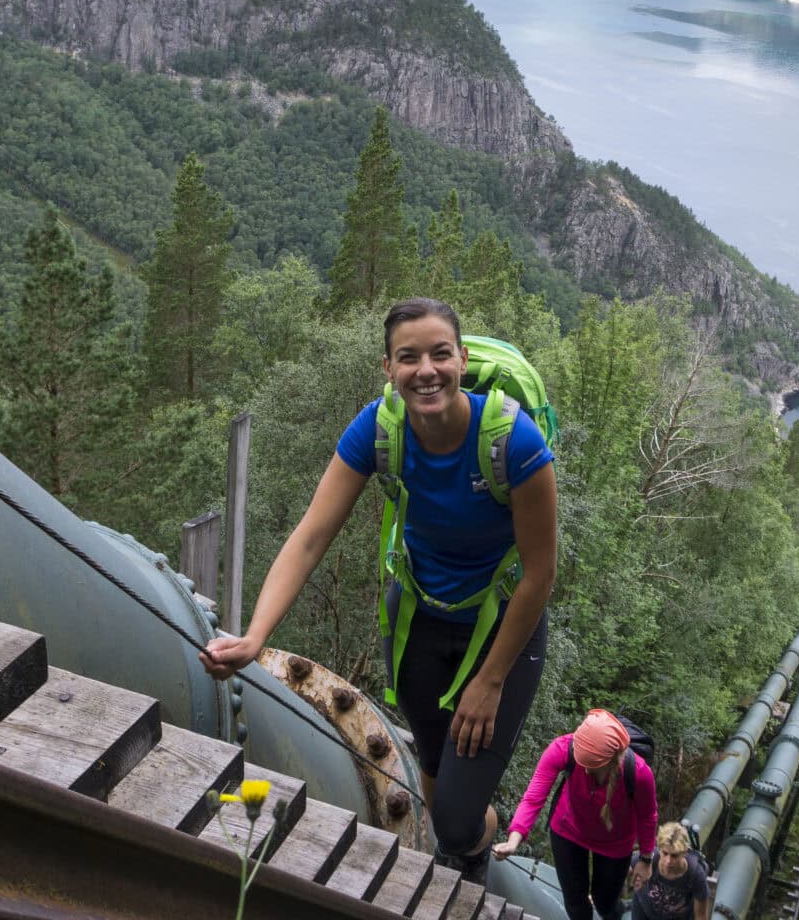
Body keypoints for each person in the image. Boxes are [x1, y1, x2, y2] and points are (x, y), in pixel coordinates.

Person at [200, 297, 559, 881]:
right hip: (419, 620)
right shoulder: (379, 429)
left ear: (462, 360)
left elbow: (541, 573)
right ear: (387, 369)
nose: (427, 370)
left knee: (458, 820)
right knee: (435, 778)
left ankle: (472, 847)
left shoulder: (512, 443)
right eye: (408, 357)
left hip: (503, 632)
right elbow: (311, 537)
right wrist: (254, 637)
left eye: (440, 354)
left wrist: (490, 681)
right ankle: (454, 841)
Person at [496, 709, 659, 920]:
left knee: (606, 903)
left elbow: (648, 816)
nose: (583, 770)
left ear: (610, 762)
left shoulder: (638, 773)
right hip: (568, 830)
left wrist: (646, 859)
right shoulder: (563, 748)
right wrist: (513, 840)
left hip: (616, 843)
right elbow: (534, 796)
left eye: (590, 766)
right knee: (575, 902)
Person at [631, 822, 711, 920]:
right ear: (659, 849)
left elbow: (701, 915)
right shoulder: (647, 860)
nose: (668, 861)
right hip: (644, 911)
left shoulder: (696, 875)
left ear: (684, 853)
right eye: (665, 853)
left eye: (674, 855)